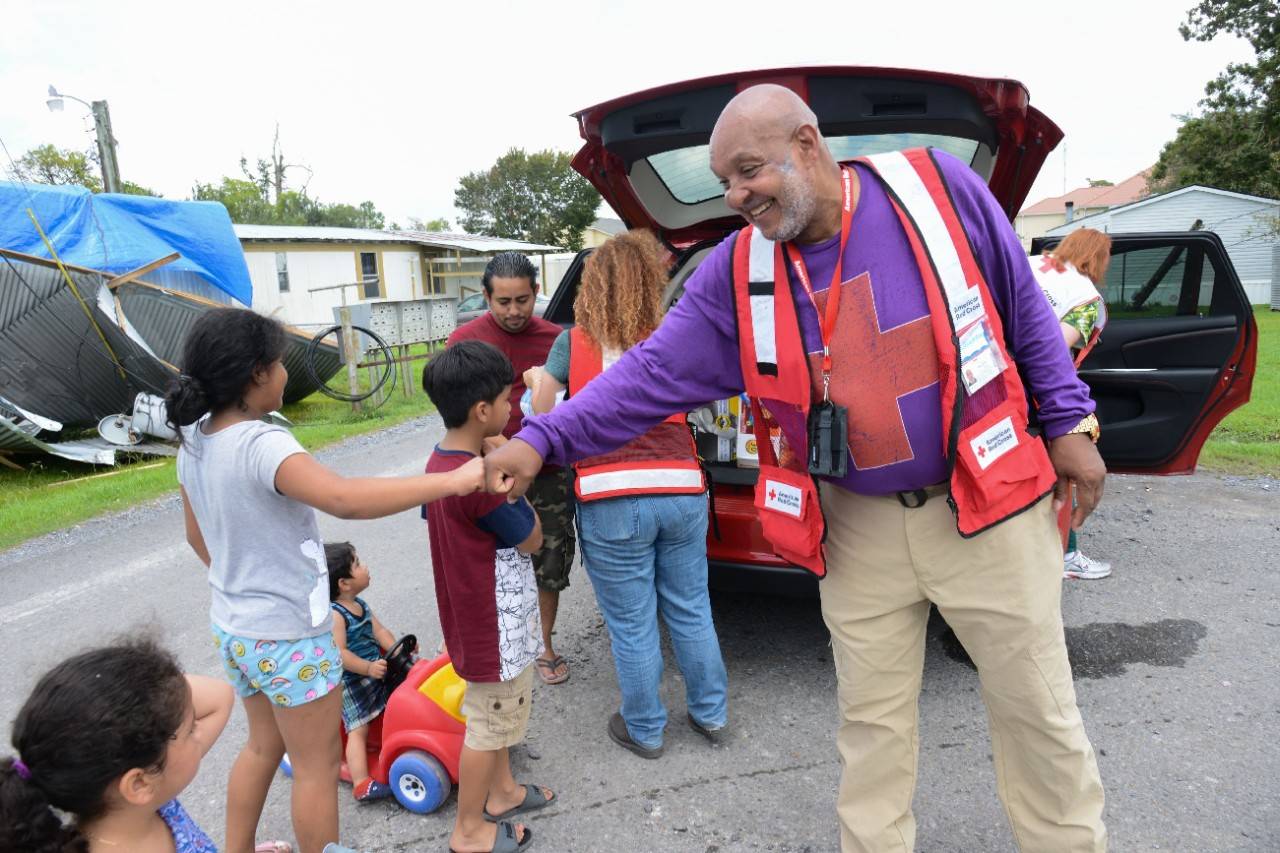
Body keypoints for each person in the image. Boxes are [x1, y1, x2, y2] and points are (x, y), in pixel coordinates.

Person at [484, 84, 1109, 852]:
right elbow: (644, 377)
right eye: (724, 182)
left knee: (1038, 714)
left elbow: (1023, 306)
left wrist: (1070, 418)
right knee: (870, 730)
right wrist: (542, 438)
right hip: (857, 527)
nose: (737, 194)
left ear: (808, 145)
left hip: (986, 504)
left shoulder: (938, 190)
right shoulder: (735, 272)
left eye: (749, 170)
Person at [165, 307, 486, 853]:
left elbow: (201, 542)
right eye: (281, 364)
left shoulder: (194, 439)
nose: (288, 374)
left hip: (236, 630)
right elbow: (343, 499)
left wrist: (248, 588)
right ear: (256, 374)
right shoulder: (262, 444)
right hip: (290, 637)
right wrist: (454, 481)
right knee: (315, 768)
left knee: (263, 748)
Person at [526, 229, 728, 758]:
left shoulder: (572, 342)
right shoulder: (674, 335)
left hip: (610, 494)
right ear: (651, 280)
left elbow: (544, 418)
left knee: (632, 621)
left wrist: (534, 384)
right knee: (691, 607)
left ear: (591, 285)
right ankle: (710, 714)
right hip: (681, 488)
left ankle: (645, 728)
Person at [421, 340, 555, 853]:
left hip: (473, 615)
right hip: (495, 626)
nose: (514, 407)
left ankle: (502, 792)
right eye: (506, 399)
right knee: (489, 723)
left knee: (496, 715)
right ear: (483, 411)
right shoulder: (483, 481)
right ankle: (469, 829)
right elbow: (533, 538)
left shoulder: (443, 462)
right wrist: (513, 478)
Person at [0, 638, 260, 853]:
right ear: (138, 783)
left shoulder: (147, 799)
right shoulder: (150, 802)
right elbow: (218, 699)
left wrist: (144, 686)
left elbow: (219, 698)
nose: (198, 732)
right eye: (190, 730)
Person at [448, 252, 576, 685]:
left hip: (549, 468)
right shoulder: (464, 340)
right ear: (486, 296)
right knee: (489, 559)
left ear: (536, 292)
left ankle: (542, 644)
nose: (514, 311)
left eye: (522, 299)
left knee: (550, 554)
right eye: (503, 301)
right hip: (487, 470)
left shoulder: (556, 338)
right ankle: (494, 645)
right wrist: (496, 447)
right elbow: (456, 411)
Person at [1031, 227, 1114, 580]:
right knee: (1065, 471)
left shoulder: (1031, 263)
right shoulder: (1087, 299)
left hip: (982, 375)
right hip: (1037, 393)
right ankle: (1065, 553)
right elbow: (1052, 351)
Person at [327, 541, 396, 802]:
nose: (364, 567)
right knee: (359, 727)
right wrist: (367, 668)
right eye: (357, 564)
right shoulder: (336, 614)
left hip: (374, 670)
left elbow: (379, 631)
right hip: (352, 680)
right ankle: (361, 783)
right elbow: (339, 654)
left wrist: (397, 650)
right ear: (344, 583)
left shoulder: (360, 604)